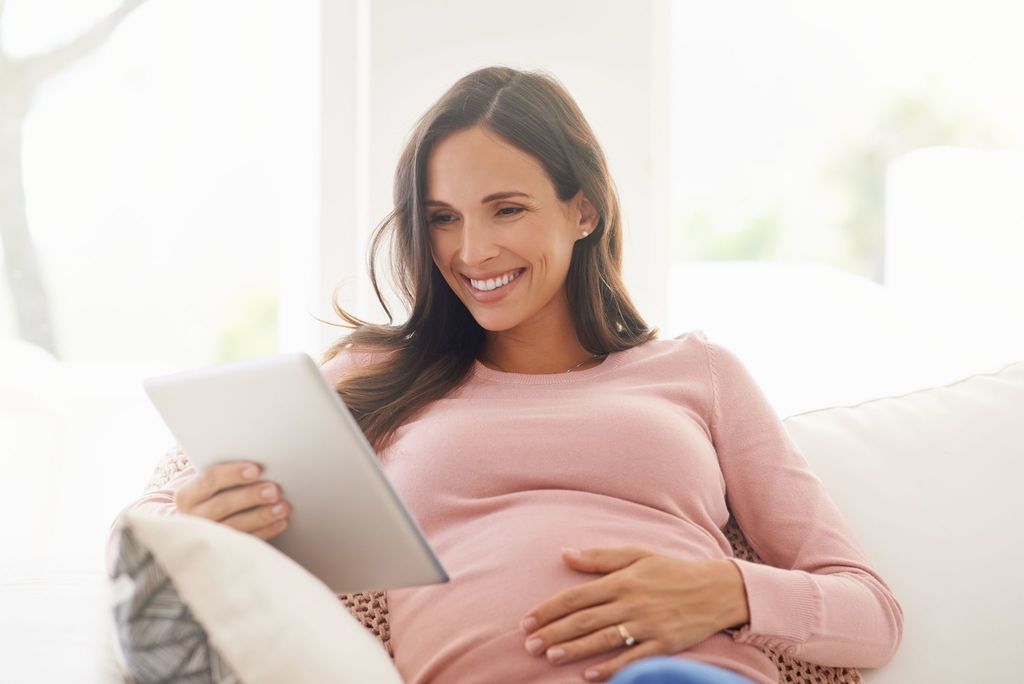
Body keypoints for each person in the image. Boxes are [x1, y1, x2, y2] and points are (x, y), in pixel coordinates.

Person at [106, 66, 903, 684]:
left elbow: (871, 610)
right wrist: (194, 513)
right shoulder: (375, 376)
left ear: (583, 211)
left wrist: (726, 591)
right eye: (443, 218)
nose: (471, 251)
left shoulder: (698, 373)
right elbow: (146, 534)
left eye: (507, 209)